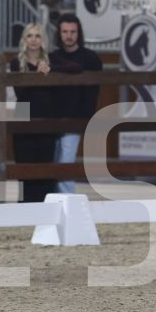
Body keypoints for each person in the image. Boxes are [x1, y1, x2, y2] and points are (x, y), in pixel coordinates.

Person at [48, 14, 104, 194]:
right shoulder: (52, 57)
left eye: (72, 32)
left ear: (78, 33)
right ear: (59, 33)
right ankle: (55, 200)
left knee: (65, 160)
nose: (69, 36)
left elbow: (94, 91)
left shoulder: (90, 58)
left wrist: (87, 116)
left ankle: (67, 200)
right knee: (52, 161)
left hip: (75, 117)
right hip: (51, 118)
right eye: (65, 32)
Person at [7, 22, 57, 199]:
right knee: (24, 164)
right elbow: (20, 92)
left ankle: (46, 204)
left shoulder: (51, 62)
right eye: (30, 36)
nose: (34, 40)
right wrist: (37, 75)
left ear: (43, 40)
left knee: (45, 165)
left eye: (37, 36)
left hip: (46, 117)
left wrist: (50, 71)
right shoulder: (16, 63)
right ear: (24, 39)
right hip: (23, 117)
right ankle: (26, 205)